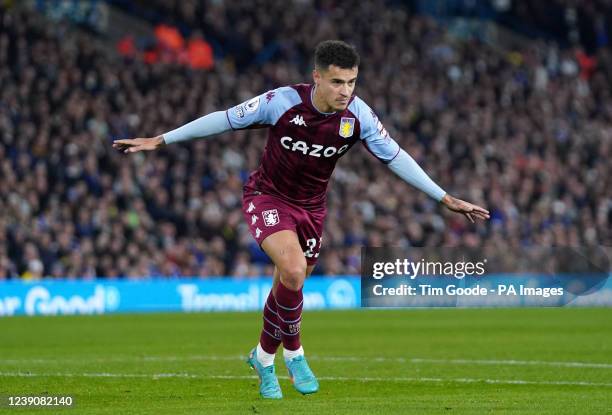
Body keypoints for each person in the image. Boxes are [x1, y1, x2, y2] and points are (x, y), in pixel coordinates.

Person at [113, 40, 490, 399]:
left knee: (287, 285)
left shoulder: (358, 116)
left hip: (312, 209)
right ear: (318, 77)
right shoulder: (282, 101)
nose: (346, 90)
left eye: (352, 82)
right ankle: (294, 353)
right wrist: (161, 140)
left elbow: (396, 157)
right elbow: (224, 120)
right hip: (267, 197)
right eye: (338, 82)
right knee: (293, 272)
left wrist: (444, 197)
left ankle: (262, 359)